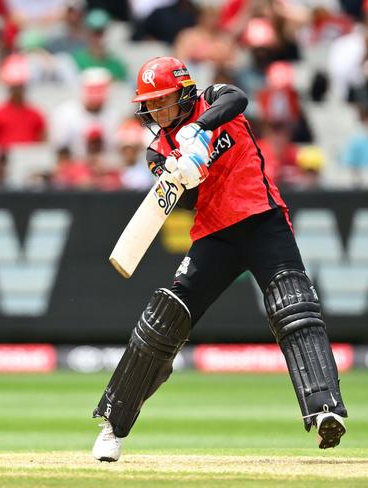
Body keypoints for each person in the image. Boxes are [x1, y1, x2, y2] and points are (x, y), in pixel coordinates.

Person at [91, 57, 348, 462]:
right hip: (214, 237)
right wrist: (182, 174)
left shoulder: (214, 99)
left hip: (263, 218)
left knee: (294, 307)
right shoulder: (158, 152)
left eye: (165, 101)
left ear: (185, 92)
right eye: (151, 105)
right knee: (162, 321)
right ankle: (113, 426)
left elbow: (238, 98)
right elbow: (185, 199)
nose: (158, 111)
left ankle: (325, 409)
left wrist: (198, 129)